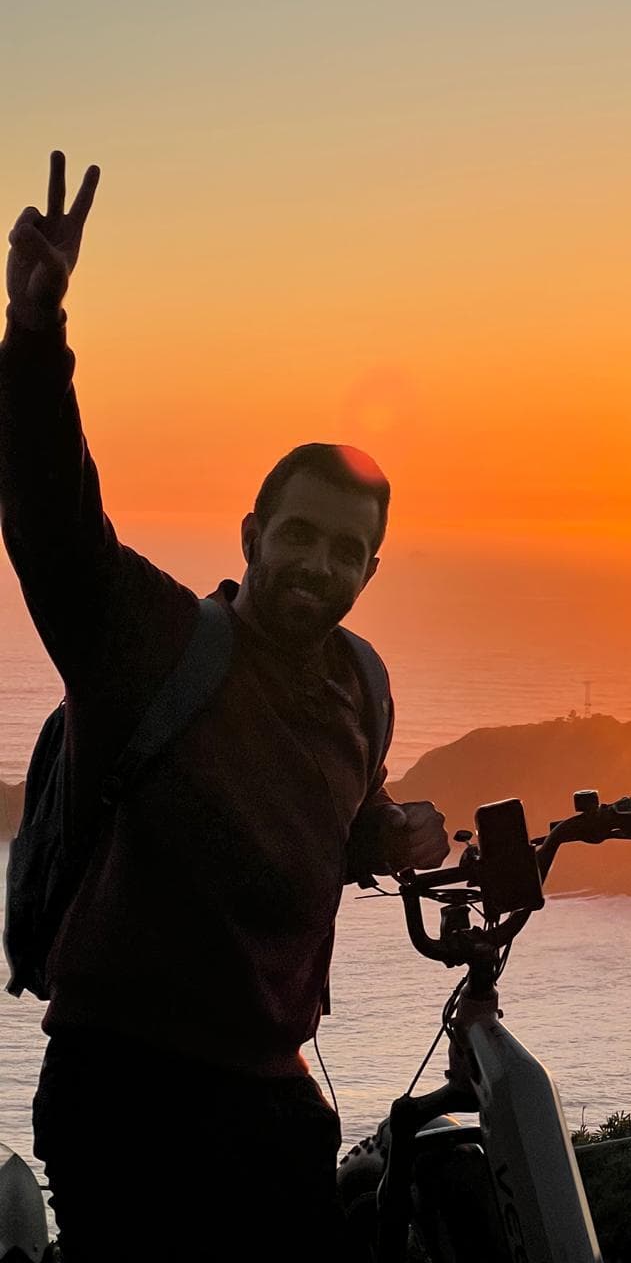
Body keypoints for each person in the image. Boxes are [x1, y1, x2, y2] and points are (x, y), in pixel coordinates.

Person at [1, 151, 451, 1260]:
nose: (318, 563)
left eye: (347, 550)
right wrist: (36, 335)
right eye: (299, 535)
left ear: (368, 573)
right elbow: (54, 515)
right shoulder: (150, 642)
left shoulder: (362, 686)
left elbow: (336, 824)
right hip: (125, 1084)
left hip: (268, 1088)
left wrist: (389, 832)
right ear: (253, 537)